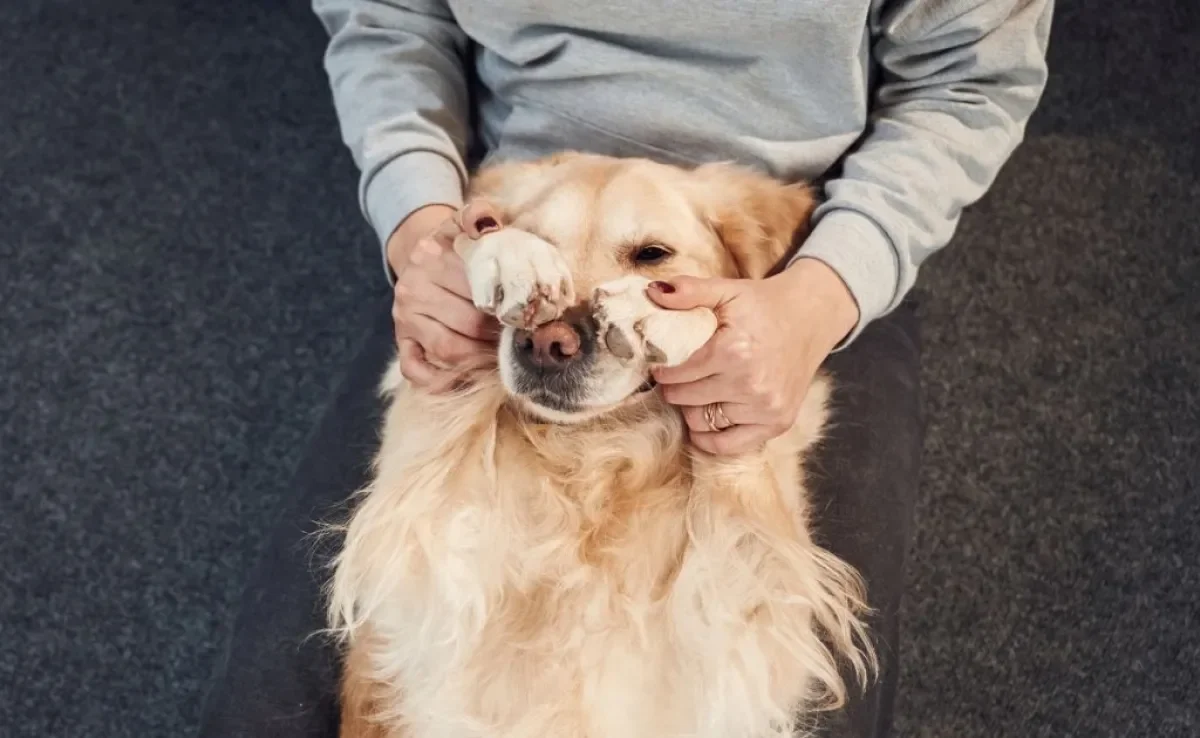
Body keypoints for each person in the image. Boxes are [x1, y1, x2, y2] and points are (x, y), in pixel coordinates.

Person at [197, 1, 1053, 736]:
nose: (558, 340)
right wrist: (426, 237)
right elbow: (387, 25)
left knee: (800, 704)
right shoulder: (514, 276)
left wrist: (813, 301)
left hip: (800, 245)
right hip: (506, 222)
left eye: (643, 255)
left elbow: (969, 78)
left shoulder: (784, 258)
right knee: (279, 711)